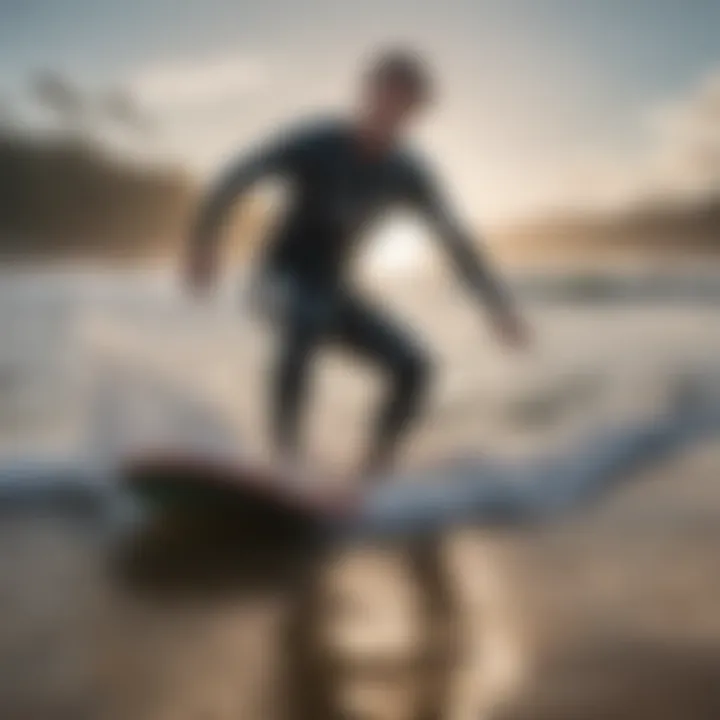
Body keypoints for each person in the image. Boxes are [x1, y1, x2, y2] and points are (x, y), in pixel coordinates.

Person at [185, 48, 531, 479]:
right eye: (385, 98)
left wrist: (497, 308)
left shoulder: (409, 173)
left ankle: (375, 470)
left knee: (415, 367)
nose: (391, 114)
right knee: (307, 315)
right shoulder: (316, 144)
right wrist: (203, 245)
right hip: (278, 280)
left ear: (415, 114)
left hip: (334, 290)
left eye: (405, 107)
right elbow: (235, 176)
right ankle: (285, 461)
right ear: (366, 95)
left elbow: (457, 244)